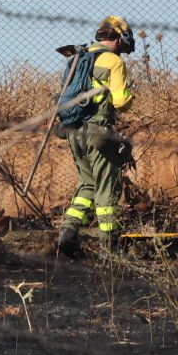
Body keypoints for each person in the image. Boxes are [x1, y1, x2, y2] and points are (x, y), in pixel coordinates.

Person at [56, 16, 135, 260]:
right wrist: (129, 94)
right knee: (106, 190)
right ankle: (109, 249)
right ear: (119, 39)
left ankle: (67, 236)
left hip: (73, 131)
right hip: (98, 133)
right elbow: (121, 103)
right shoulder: (113, 62)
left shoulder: (77, 58)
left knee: (87, 184)